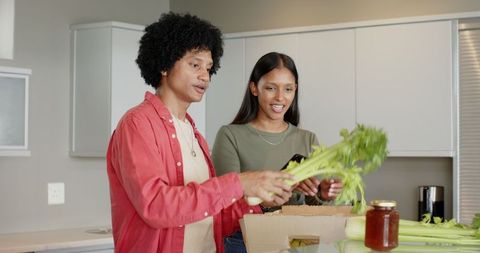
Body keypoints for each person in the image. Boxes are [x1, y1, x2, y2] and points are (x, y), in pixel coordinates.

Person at [106, 13, 295, 253]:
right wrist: (238, 183)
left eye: (208, 68)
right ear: (165, 64)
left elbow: (211, 218)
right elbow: (156, 206)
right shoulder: (137, 124)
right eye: (195, 65)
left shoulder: (195, 135)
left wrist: (256, 201)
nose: (205, 76)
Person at [211, 52, 343, 253]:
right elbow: (225, 202)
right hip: (245, 241)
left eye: (288, 89)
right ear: (255, 88)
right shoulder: (230, 135)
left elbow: (313, 203)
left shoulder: (307, 139)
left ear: (295, 90)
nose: (280, 97)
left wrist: (323, 194)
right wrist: (268, 197)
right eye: (271, 88)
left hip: (297, 242)